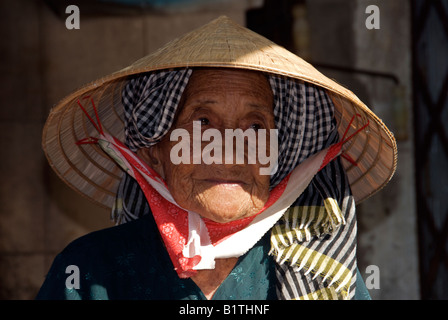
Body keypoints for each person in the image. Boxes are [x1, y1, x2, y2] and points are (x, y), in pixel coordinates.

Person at [37, 16, 396, 300]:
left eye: (255, 127)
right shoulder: (89, 271)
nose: (228, 146)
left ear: (277, 155)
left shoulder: (325, 277)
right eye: (203, 121)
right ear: (155, 152)